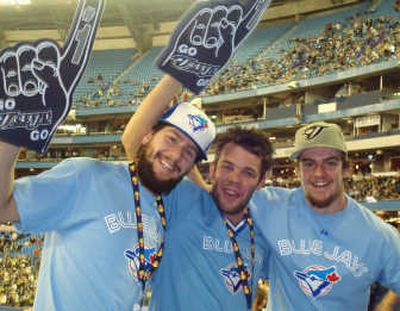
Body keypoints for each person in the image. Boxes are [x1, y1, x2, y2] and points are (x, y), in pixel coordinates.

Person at [0, 74, 216, 310]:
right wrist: (12, 136)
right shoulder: (86, 176)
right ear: (148, 135)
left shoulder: (169, 202)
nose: (175, 156)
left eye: (188, 153)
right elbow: (5, 208)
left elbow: (208, 198)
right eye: (171, 139)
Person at [251, 121, 400, 310]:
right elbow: (214, 196)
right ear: (297, 170)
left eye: (330, 163)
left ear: (345, 169)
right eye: (309, 163)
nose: (319, 173)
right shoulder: (271, 206)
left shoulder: (378, 235)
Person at [145, 127, 273, 311]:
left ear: (261, 182)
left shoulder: (262, 231)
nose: (235, 179)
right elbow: (136, 146)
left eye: (248, 173)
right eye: (227, 167)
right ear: (213, 170)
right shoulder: (182, 199)